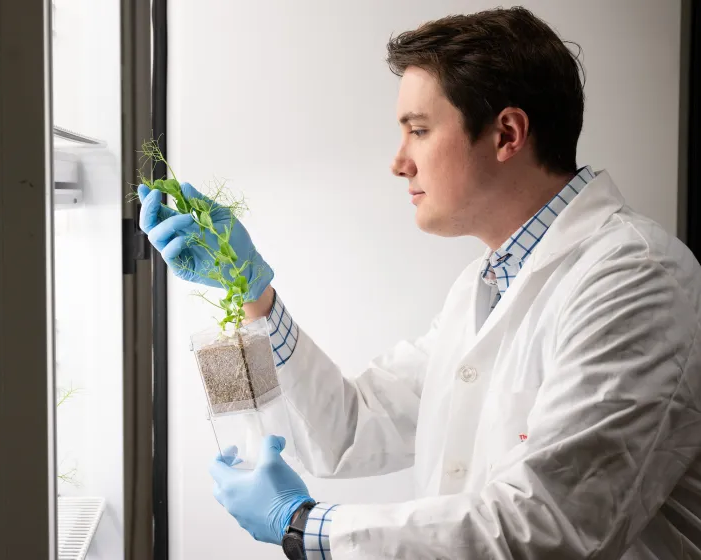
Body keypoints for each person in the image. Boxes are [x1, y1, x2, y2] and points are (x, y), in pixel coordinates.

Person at [137, 6, 701, 559]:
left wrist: (304, 526)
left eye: (419, 130)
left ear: (507, 133)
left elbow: (546, 528)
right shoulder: (487, 283)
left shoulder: (635, 277)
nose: (399, 162)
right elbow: (353, 429)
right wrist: (252, 292)